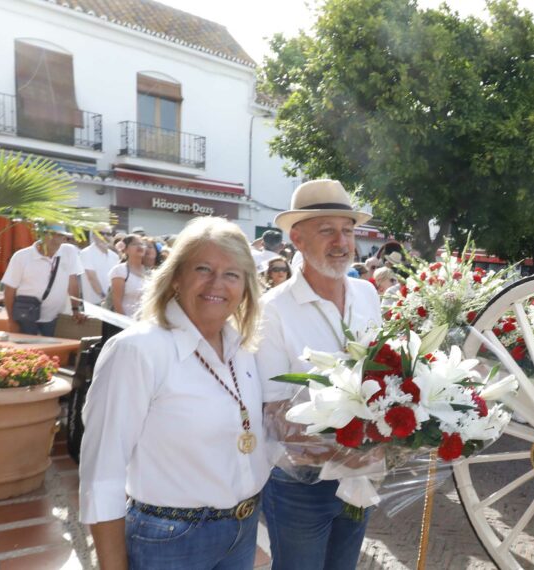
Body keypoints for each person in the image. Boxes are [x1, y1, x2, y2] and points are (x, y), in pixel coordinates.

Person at [78, 217, 271, 570]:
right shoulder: (137, 350)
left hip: (241, 531)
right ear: (176, 277)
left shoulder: (243, 349)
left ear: (245, 287)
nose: (217, 283)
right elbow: (101, 473)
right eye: (203, 269)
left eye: (232, 274)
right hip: (169, 540)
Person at [255, 180, 382, 570]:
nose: (342, 242)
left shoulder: (367, 294)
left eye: (347, 230)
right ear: (298, 237)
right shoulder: (272, 309)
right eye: (327, 230)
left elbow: (383, 377)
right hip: (298, 486)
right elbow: (275, 413)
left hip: (359, 479)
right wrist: (352, 451)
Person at [1, 224, 87, 336]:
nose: (54, 238)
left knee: (53, 352)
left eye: (60, 235)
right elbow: (9, 290)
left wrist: (75, 309)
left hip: (55, 318)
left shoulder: (69, 252)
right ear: (40, 235)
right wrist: (11, 321)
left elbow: (73, 283)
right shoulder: (21, 256)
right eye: (50, 234)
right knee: (28, 352)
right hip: (25, 317)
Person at [80, 224, 120, 308]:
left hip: (111, 304)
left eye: (108, 234)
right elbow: (92, 278)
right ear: (94, 236)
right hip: (94, 304)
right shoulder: (86, 253)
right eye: (101, 233)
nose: (105, 236)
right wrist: (104, 298)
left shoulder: (114, 256)